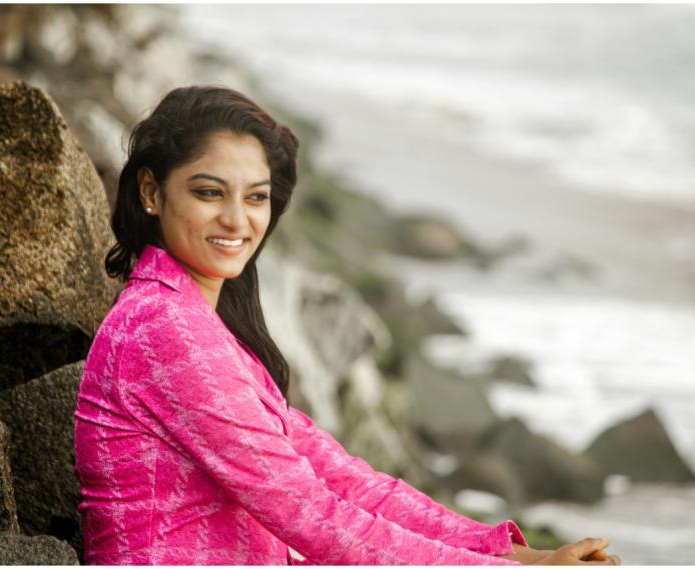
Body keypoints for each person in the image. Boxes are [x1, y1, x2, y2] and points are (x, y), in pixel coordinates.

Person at [73, 85, 621, 565]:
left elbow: (342, 479)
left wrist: (510, 552)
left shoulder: (200, 326)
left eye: (256, 197)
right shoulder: (165, 331)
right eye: (209, 192)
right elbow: (310, 513)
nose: (238, 220)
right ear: (151, 192)